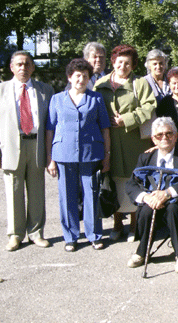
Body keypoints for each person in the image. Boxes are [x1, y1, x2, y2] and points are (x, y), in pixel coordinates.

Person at [0, 51, 54, 251]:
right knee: (14, 192)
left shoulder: (45, 90)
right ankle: (15, 235)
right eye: (19, 64)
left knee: (37, 192)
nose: (23, 68)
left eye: (27, 64)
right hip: (11, 147)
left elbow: (51, 123)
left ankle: (36, 233)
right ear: (11, 68)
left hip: (36, 145)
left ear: (33, 67)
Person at [46, 59, 111, 251]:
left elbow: (105, 128)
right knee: (67, 196)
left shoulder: (96, 98)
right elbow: (50, 129)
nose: (81, 79)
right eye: (77, 75)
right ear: (69, 77)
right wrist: (50, 158)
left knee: (91, 195)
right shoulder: (57, 99)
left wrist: (107, 155)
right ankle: (71, 236)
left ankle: (94, 235)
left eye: (85, 76)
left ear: (89, 78)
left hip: (91, 154)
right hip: (63, 154)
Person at [94, 44, 157, 243]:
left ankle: (134, 225)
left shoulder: (140, 83)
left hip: (133, 140)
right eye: (120, 61)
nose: (123, 66)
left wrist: (127, 119)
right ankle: (117, 224)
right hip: (108, 140)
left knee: (133, 180)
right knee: (113, 181)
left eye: (128, 63)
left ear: (133, 65)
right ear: (113, 62)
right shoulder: (101, 83)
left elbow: (149, 106)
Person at [125, 117, 178, 274]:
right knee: (147, 210)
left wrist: (167, 193)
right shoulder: (145, 158)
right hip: (153, 201)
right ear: (153, 139)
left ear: (175, 136)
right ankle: (142, 251)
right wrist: (146, 198)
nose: (164, 138)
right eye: (159, 135)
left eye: (169, 134)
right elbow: (131, 184)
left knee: (173, 209)